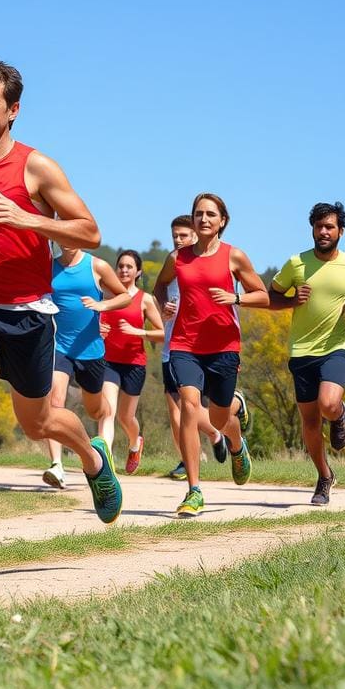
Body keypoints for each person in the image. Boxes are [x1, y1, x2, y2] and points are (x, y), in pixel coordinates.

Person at [0, 59, 123, 572]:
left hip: (28, 312)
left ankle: (93, 456)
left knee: (37, 424)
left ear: (13, 111)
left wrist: (28, 218)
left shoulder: (37, 168)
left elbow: (89, 230)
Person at [153, 193, 268, 516]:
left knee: (218, 418)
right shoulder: (177, 258)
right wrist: (164, 304)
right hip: (185, 345)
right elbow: (160, 286)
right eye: (199, 214)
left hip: (223, 347)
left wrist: (235, 298)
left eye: (210, 214)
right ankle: (194, 491)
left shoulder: (235, 257)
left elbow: (262, 295)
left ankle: (235, 433)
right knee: (190, 407)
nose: (204, 219)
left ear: (222, 221)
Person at [269, 201, 345, 506]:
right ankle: (324, 476)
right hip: (301, 349)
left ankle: (339, 414)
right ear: (313, 229)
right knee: (310, 422)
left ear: (340, 231)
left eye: (329, 226)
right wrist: (291, 299)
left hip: (337, 345)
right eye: (319, 226)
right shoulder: (296, 264)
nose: (323, 231)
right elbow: (272, 295)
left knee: (328, 404)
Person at [42, 244, 131, 489]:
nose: (66, 240)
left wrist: (103, 305)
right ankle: (57, 465)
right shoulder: (50, 267)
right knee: (54, 401)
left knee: (95, 411)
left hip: (91, 351)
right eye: (61, 234)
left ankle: (104, 424)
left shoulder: (96, 266)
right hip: (60, 347)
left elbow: (124, 296)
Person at [159, 215, 235, 479]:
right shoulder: (173, 263)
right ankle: (189, 467)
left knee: (210, 412)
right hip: (175, 347)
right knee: (180, 408)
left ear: (195, 235)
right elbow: (159, 290)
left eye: (183, 236)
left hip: (211, 348)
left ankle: (223, 423)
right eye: (174, 236)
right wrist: (163, 308)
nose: (178, 241)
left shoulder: (211, 263)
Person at [99, 250, 164, 474]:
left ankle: (135, 443)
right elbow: (92, 320)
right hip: (108, 361)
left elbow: (162, 333)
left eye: (129, 267)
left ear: (138, 272)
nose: (124, 270)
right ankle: (104, 463)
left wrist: (138, 332)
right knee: (107, 411)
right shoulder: (106, 295)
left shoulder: (144, 299)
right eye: (121, 266)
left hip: (134, 364)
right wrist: (97, 329)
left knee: (126, 417)